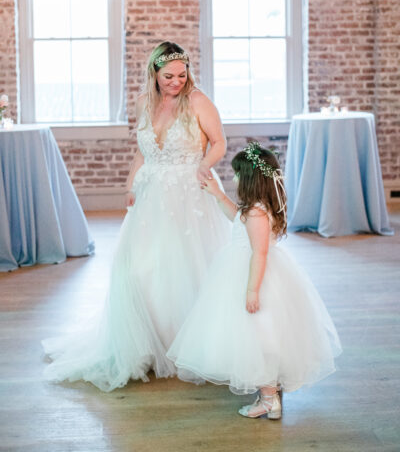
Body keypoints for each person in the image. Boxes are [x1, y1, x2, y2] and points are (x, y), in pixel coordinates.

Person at [42, 41, 232, 392]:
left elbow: (219, 141)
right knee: (144, 269)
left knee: (186, 267)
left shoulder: (199, 101)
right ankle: (147, 344)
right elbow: (143, 149)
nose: (177, 81)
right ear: (154, 74)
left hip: (190, 192)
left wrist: (204, 165)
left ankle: (189, 344)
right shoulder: (144, 102)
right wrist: (131, 184)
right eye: (169, 76)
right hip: (151, 197)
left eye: (182, 73)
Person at [167, 142, 342, 419]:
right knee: (263, 336)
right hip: (253, 273)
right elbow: (236, 218)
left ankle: (269, 398)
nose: (233, 178)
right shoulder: (255, 209)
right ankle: (270, 393)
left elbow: (259, 254)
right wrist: (217, 195)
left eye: (237, 174)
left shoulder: (257, 214)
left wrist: (252, 290)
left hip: (255, 277)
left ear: (249, 180)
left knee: (259, 338)